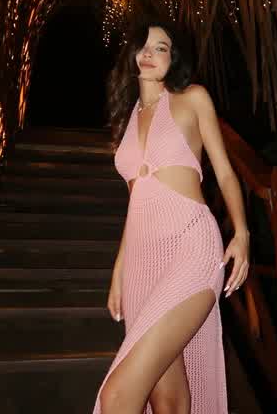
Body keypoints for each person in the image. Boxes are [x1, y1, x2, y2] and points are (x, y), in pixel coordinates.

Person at [92, 21, 250, 414]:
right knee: (167, 398)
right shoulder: (127, 119)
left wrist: (242, 233)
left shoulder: (192, 98)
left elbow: (225, 173)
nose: (149, 54)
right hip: (142, 262)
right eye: (143, 46)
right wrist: (119, 270)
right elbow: (136, 202)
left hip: (191, 247)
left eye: (160, 47)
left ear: (172, 58)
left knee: (116, 396)